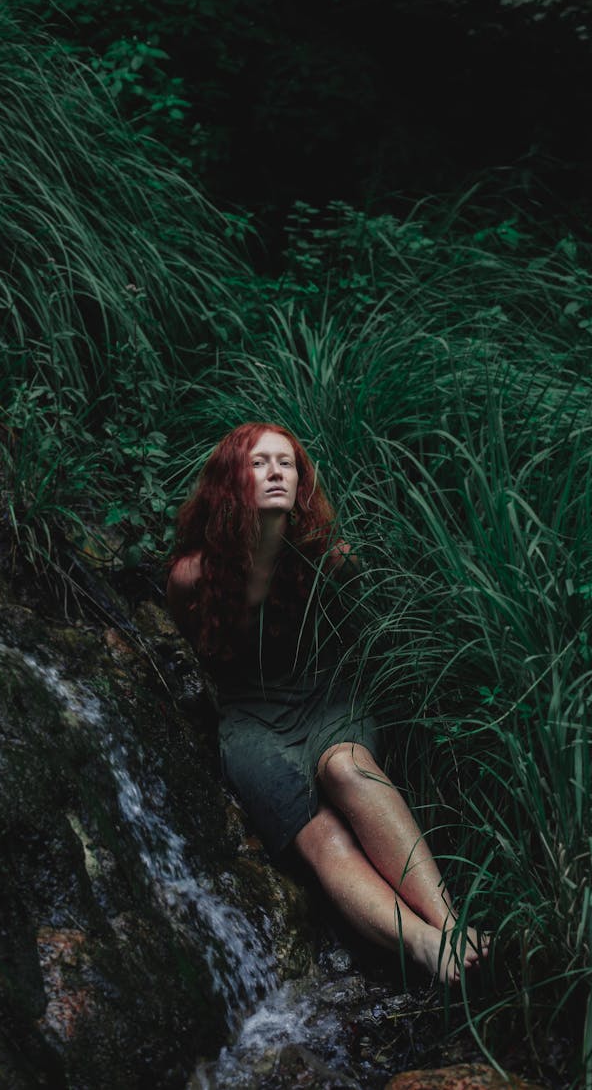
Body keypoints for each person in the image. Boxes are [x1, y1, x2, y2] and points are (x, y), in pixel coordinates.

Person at [166, 422, 485, 984]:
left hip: (326, 696)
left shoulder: (329, 557)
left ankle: (454, 928)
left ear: (300, 480)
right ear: (231, 481)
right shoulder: (193, 577)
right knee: (323, 838)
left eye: (285, 464)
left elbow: (368, 636)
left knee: (347, 768)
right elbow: (199, 649)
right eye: (258, 463)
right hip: (252, 722)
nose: (274, 473)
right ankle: (425, 945)